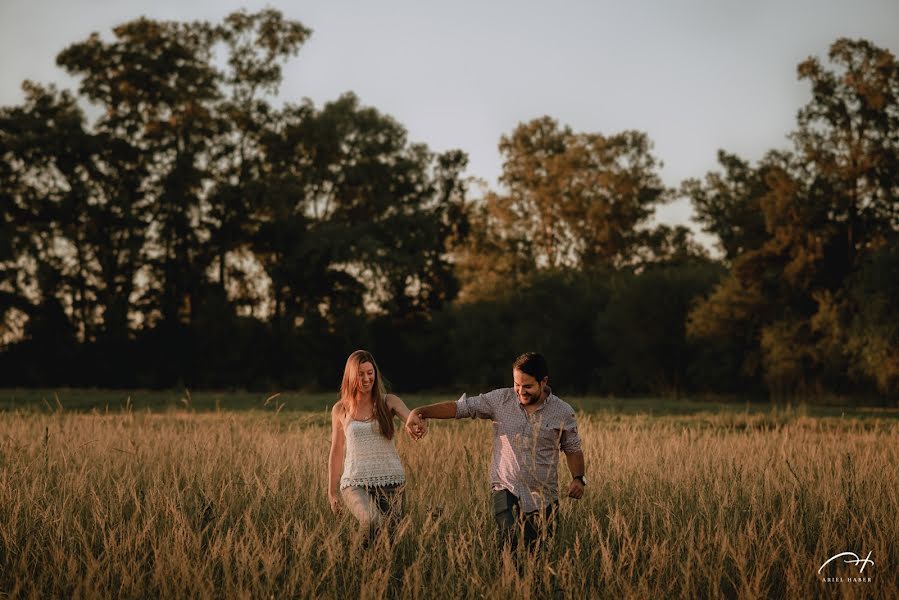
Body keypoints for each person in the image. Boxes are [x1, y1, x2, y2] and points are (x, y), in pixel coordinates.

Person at [406, 352, 585, 553]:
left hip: (544, 496)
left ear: (544, 382)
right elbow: (460, 408)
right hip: (506, 488)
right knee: (509, 545)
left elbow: (572, 449)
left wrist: (578, 478)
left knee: (538, 555)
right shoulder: (500, 400)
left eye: (527, 386)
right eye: (517, 384)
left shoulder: (562, 411)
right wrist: (419, 411)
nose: (520, 391)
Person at [328, 350, 425, 541]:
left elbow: (410, 417)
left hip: (392, 483)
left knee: (390, 542)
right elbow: (337, 450)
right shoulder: (341, 409)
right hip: (355, 483)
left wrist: (418, 422)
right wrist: (331, 492)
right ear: (351, 376)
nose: (366, 379)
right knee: (372, 522)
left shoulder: (389, 402)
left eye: (370, 373)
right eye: (361, 374)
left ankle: (371, 570)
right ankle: (355, 563)